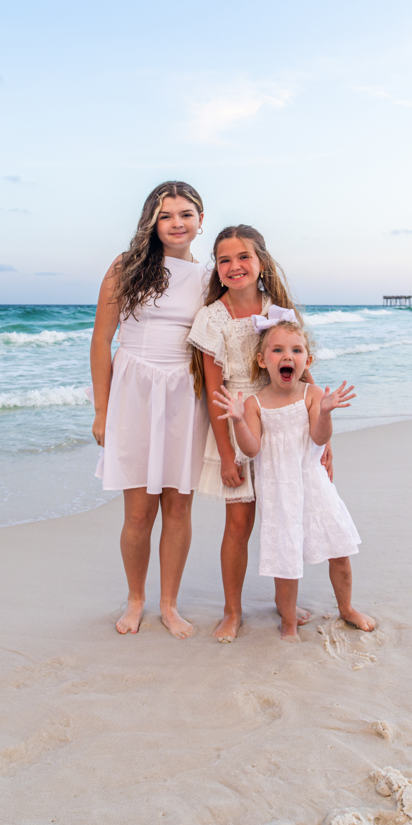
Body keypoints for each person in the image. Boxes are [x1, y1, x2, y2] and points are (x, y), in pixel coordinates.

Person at [187, 225, 332, 642]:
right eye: (224, 259)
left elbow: (303, 372)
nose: (234, 266)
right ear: (216, 267)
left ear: (261, 262)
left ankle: (285, 605)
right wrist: (228, 454)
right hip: (237, 422)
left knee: (286, 518)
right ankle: (232, 612)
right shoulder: (211, 318)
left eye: (243, 257)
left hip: (288, 422)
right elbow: (214, 391)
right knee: (239, 523)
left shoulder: (277, 310)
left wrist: (324, 445)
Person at [90, 181, 209, 639]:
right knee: (138, 512)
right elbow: (102, 340)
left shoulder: (209, 277)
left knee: (178, 508)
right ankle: (136, 598)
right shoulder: (127, 267)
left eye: (185, 214)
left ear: (201, 220)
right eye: (166, 215)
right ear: (151, 222)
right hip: (134, 390)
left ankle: (170, 604)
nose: (176, 223)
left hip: (185, 393)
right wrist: (102, 411)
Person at [214, 312, 375, 641]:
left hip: (315, 485)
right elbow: (252, 449)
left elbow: (318, 438)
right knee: (285, 560)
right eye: (277, 351)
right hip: (280, 492)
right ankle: (287, 622)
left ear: (308, 359)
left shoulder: (312, 395)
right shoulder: (255, 403)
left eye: (296, 350)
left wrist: (327, 413)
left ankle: (346, 608)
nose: (287, 356)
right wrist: (238, 421)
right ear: (262, 360)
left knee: (339, 550)